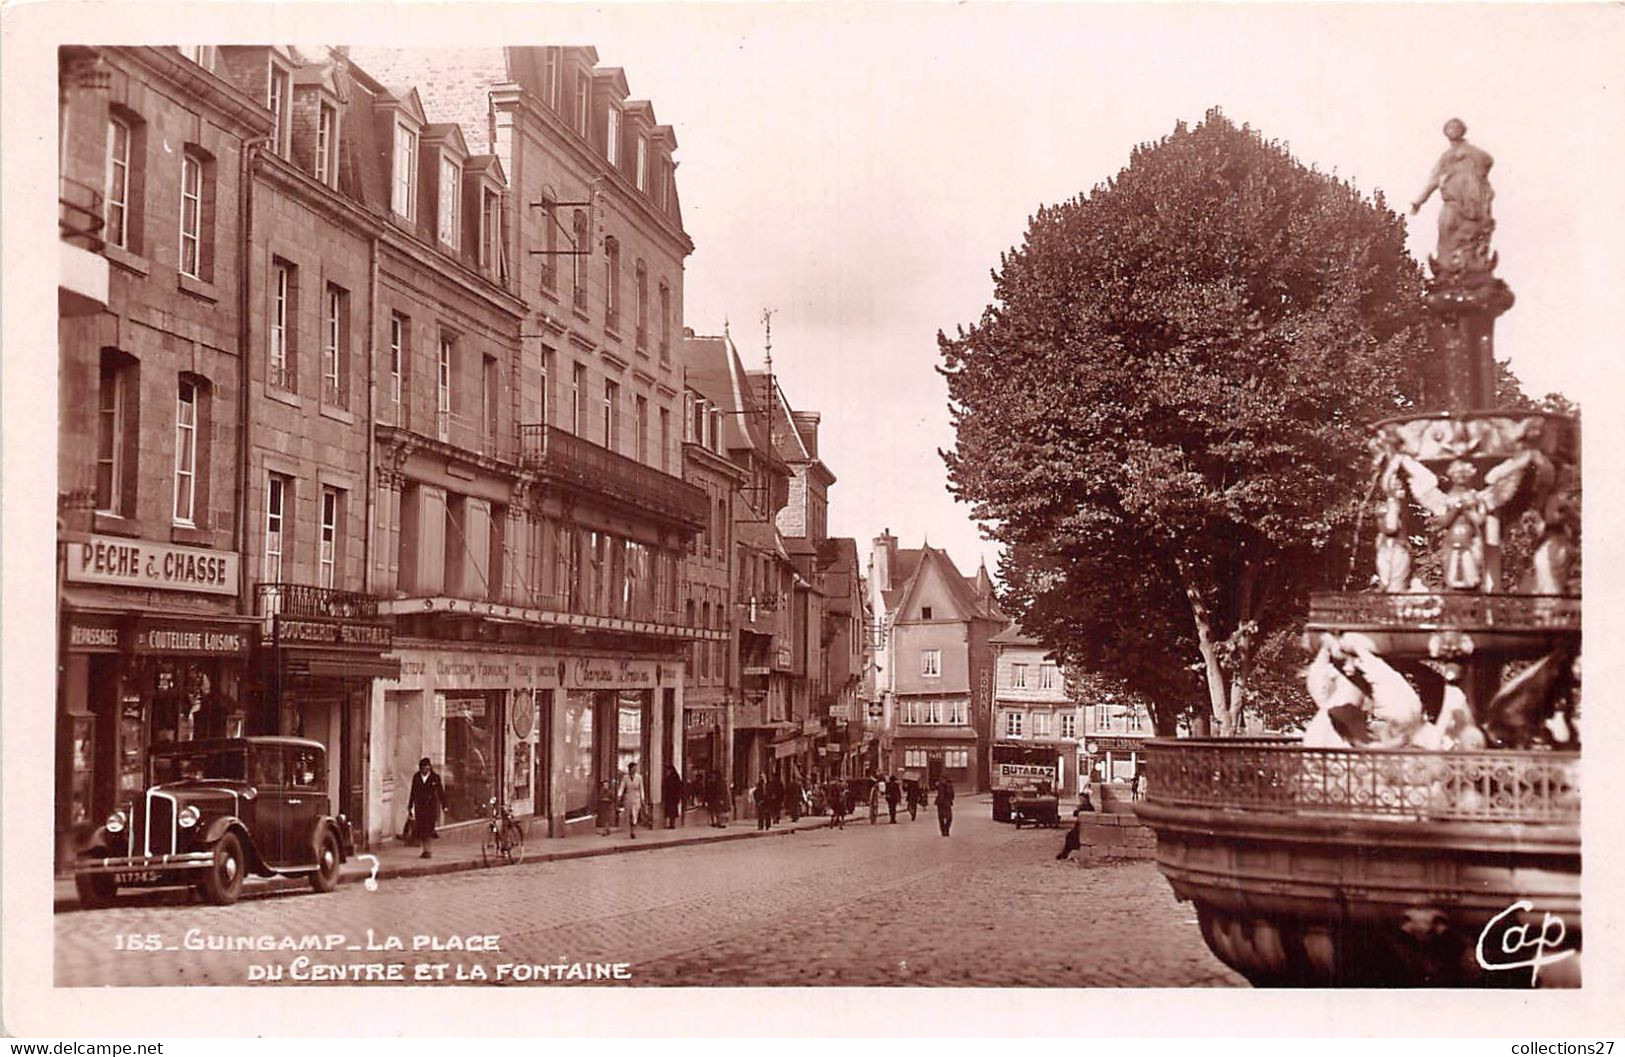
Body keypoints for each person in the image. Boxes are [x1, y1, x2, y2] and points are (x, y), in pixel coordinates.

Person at [406, 757, 448, 859]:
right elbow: (413, 792)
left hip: (431, 807)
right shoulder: (416, 777)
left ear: (430, 767)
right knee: (422, 829)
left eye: (427, 768)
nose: (425, 770)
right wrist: (410, 805)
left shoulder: (435, 777)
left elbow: (440, 792)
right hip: (420, 807)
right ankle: (426, 850)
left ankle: (428, 850)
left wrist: (444, 805)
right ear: (420, 768)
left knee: (429, 829)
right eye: (423, 768)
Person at [620, 762, 647, 839]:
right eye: (633, 768)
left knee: (634, 815)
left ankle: (633, 831)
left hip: (636, 798)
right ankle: (630, 829)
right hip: (628, 797)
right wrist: (619, 795)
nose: (635, 770)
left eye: (636, 768)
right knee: (629, 814)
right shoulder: (625, 777)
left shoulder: (639, 777)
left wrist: (642, 798)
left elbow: (641, 788)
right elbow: (622, 786)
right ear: (630, 769)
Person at [662, 764, 683, 829]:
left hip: (672, 797)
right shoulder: (674, 776)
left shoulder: (673, 777)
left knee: (672, 811)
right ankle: (671, 824)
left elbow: (678, 787)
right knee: (671, 811)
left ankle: (672, 824)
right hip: (671, 797)